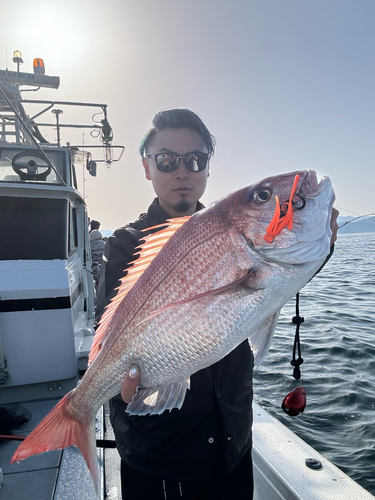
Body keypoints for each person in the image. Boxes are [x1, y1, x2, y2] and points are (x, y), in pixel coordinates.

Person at [96, 108, 338, 500]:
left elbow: (270, 283)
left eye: (196, 160)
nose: (182, 171)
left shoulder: (235, 229)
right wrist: (116, 390)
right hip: (162, 452)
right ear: (147, 167)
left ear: (207, 167)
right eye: (167, 160)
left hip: (233, 439)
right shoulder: (126, 244)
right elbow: (108, 335)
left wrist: (319, 245)